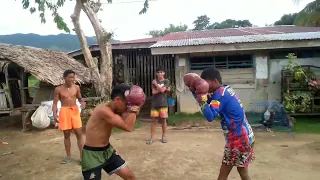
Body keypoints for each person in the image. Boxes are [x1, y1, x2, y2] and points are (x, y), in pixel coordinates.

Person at [186, 67, 255, 180]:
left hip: (238, 140)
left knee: (224, 173)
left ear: (214, 81)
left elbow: (210, 116)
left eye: (205, 82)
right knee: (242, 170)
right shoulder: (225, 90)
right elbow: (211, 103)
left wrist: (201, 100)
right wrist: (196, 93)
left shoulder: (220, 94)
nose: (204, 85)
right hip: (246, 136)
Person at [81, 84, 146, 180]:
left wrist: (135, 107)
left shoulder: (117, 109)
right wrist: (134, 107)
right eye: (127, 104)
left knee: (130, 177)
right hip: (92, 154)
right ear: (118, 100)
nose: (128, 107)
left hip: (107, 151)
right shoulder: (103, 111)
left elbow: (129, 117)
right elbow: (128, 126)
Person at [53, 69, 86, 164]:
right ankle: (68, 157)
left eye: (73, 77)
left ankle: (82, 157)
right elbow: (55, 103)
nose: (72, 79)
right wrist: (55, 114)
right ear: (64, 78)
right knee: (66, 135)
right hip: (64, 112)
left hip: (75, 111)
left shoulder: (76, 87)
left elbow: (80, 98)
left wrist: (82, 102)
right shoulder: (58, 89)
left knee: (79, 134)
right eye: (70, 77)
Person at [147, 66, 170, 144]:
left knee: (163, 120)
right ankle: (151, 138)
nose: (160, 73)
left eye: (161, 72)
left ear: (164, 73)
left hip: (163, 104)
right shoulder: (154, 81)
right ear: (156, 74)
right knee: (153, 121)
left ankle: (164, 136)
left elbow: (162, 90)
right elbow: (153, 92)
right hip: (155, 104)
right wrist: (163, 89)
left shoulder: (166, 81)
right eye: (158, 72)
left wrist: (156, 85)